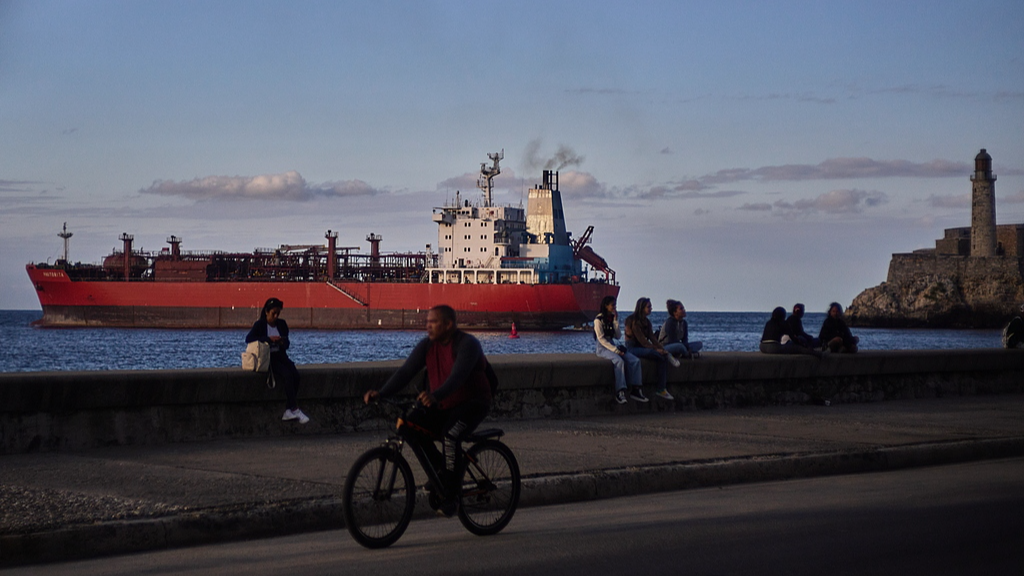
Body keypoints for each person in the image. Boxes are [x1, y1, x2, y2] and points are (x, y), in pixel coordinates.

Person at [363, 304, 493, 515]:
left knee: (451, 436)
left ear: (449, 325)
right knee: (410, 425)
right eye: (427, 322)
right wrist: (382, 393)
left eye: (433, 322)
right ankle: (442, 472)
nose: (428, 326)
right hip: (442, 403)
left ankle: (451, 496)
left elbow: (457, 378)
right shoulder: (427, 346)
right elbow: (406, 372)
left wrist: (435, 396)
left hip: (473, 403)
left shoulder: (468, 344)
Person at [245, 297, 309, 424]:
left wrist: (281, 342)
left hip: (280, 355)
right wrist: (269, 339)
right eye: (273, 313)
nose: (275, 316)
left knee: (295, 375)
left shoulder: (282, 324)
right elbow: (249, 339)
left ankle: (289, 409)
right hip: (267, 357)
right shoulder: (260, 325)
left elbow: (287, 343)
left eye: (277, 313)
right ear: (267, 312)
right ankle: (294, 408)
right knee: (286, 375)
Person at [624, 297, 680, 401]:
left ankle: (661, 388)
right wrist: (656, 350)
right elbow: (643, 341)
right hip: (632, 348)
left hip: (642, 346)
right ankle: (660, 387)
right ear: (641, 308)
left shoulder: (647, 322)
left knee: (661, 357)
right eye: (648, 307)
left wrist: (661, 348)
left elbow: (652, 338)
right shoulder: (634, 321)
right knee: (657, 354)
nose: (651, 308)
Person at [594, 295, 644, 405]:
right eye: (613, 305)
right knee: (619, 361)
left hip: (612, 343)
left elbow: (617, 336)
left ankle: (635, 388)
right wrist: (616, 351)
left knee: (635, 361)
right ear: (606, 306)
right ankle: (620, 391)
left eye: (615, 305)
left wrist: (616, 321)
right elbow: (601, 339)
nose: (614, 307)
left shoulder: (611, 318)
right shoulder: (598, 320)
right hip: (602, 347)